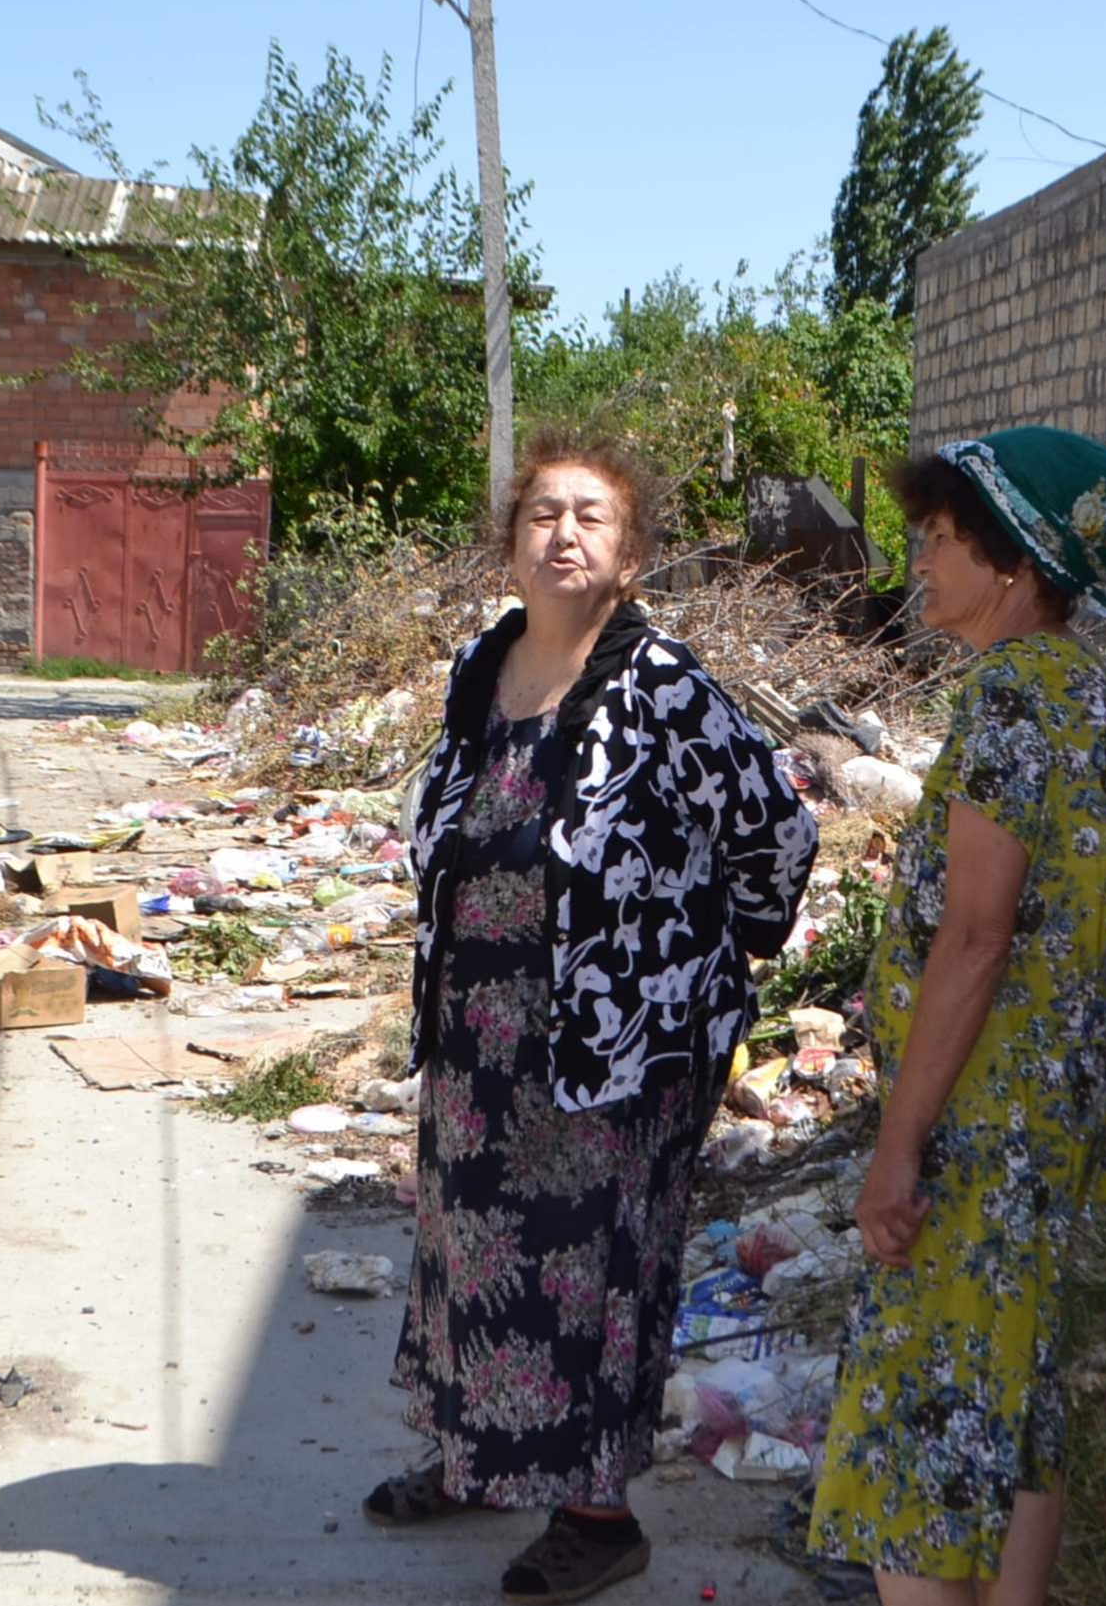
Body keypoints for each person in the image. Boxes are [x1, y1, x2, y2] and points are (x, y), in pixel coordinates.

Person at [369, 427, 816, 1605]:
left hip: (616, 1050)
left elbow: (775, 833)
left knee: (592, 1272)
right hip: (480, 1034)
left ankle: (596, 1516)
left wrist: (693, 958)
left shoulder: (662, 686)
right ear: (509, 542)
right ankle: (479, 1458)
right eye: (541, 514)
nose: (561, 534)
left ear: (629, 555)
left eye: (590, 517)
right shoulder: (483, 667)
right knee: (473, 1250)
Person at [809, 426, 1106, 1606]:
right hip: (1058, 1117)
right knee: (1015, 1403)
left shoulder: (1010, 701)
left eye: (939, 539)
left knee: (918, 1421)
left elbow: (976, 936)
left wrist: (897, 1147)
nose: (919, 562)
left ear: (1013, 562)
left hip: (976, 1124)